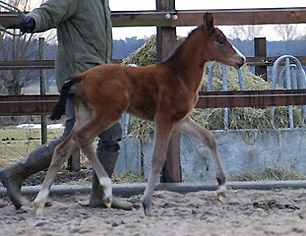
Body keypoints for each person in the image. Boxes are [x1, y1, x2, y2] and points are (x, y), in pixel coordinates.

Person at [0, 0, 131, 210]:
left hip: (98, 77)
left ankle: (100, 196)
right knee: (76, 138)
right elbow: (49, 11)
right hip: (81, 78)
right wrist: (32, 21)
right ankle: (15, 174)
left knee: (108, 136)